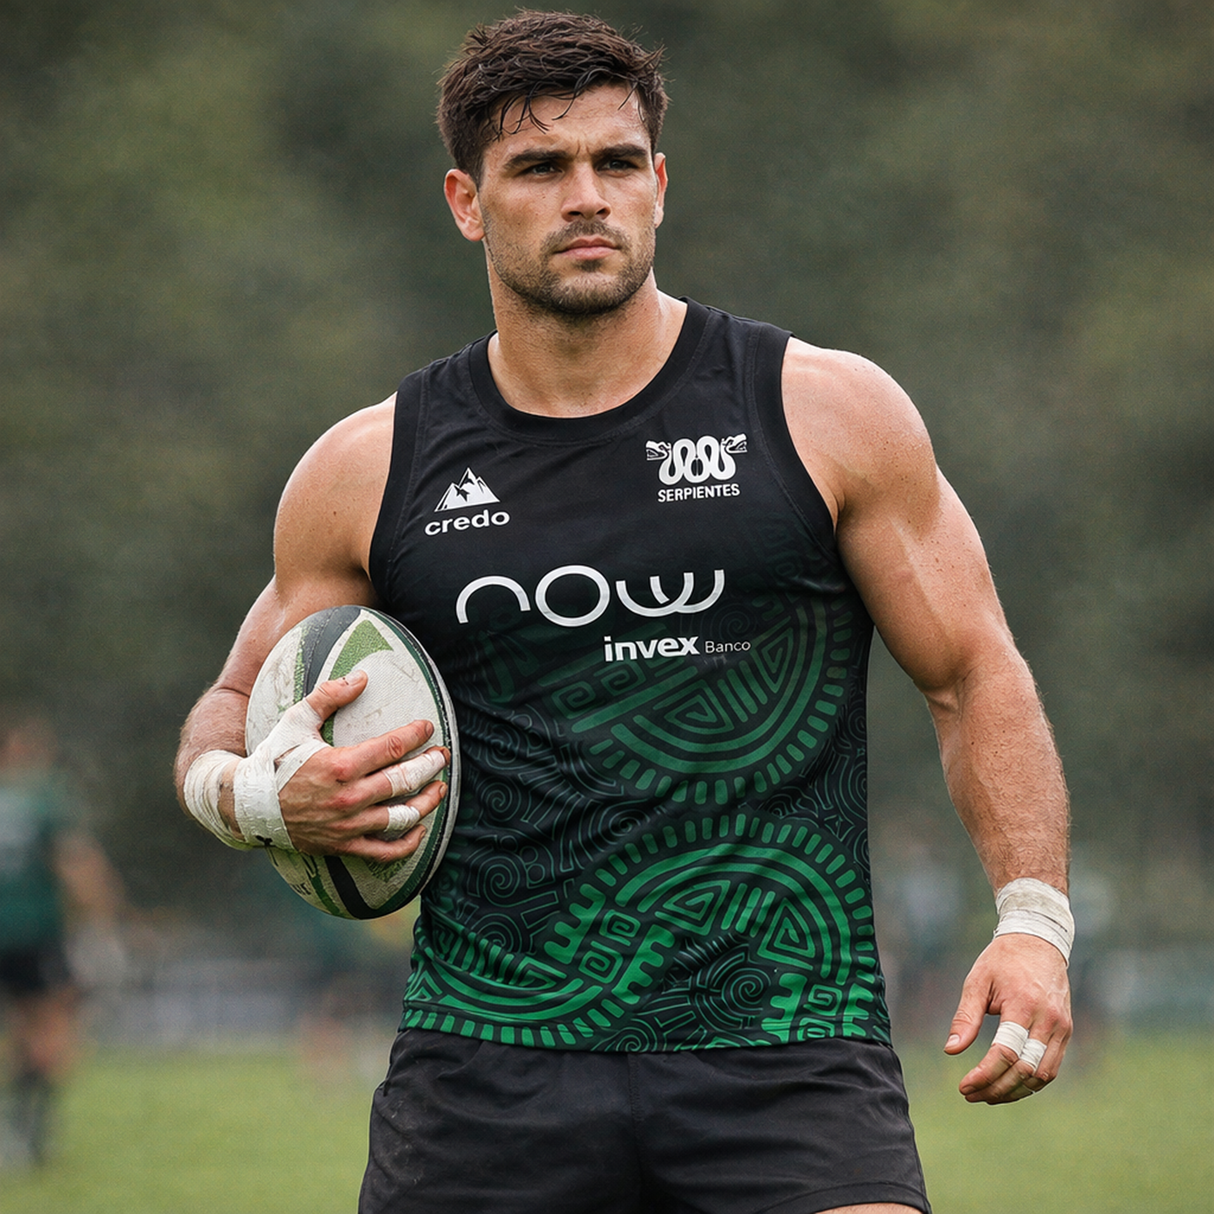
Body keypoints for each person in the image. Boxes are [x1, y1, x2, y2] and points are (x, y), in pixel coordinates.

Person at [174, 12, 1073, 1213]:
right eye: (539, 169)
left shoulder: (824, 413)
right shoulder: (369, 467)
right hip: (485, 1062)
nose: (583, 195)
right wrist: (261, 796)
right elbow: (228, 709)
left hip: (785, 1046)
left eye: (613, 162)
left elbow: (973, 674)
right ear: (466, 201)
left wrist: (1032, 918)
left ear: (658, 184)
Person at [0, 715, 124, 1168]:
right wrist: (103, 922)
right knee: (54, 1027)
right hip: (36, 932)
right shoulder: (45, 799)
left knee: (19, 1029)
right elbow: (78, 865)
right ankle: (32, 1130)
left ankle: (15, 1124)